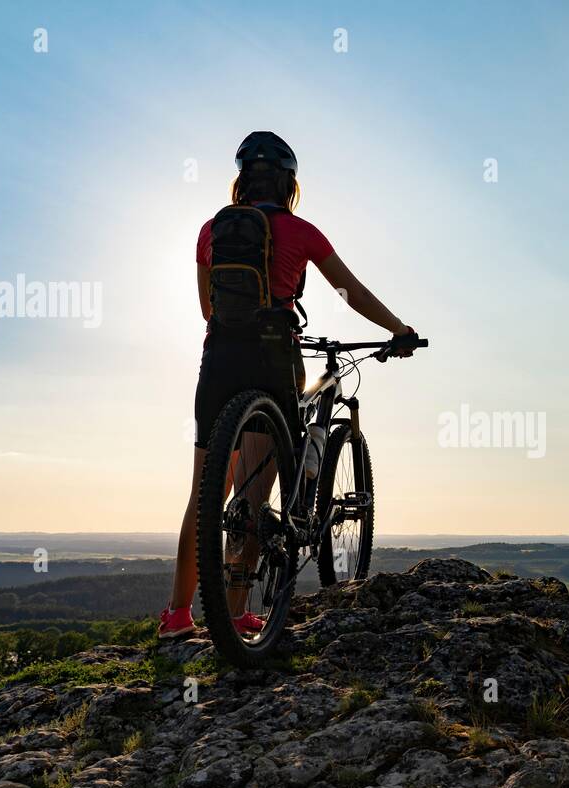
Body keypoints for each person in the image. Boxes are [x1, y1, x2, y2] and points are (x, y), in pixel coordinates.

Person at [159, 131, 417, 637]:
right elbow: (349, 292)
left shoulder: (210, 231)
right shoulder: (301, 232)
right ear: (288, 183)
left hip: (217, 361)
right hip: (271, 361)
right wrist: (397, 330)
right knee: (254, 500)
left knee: (204, 493)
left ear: (242, 180)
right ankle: (235, 617)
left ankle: (177, 614)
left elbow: (207, 309)